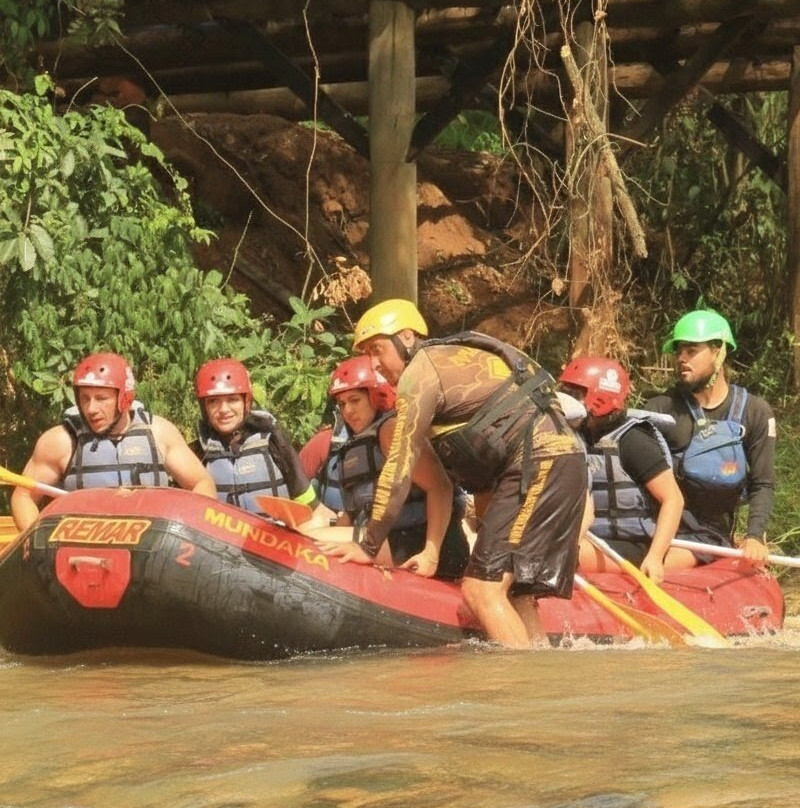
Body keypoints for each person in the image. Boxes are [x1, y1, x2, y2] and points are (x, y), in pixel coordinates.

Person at [317, 299, 588, 650]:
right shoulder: (450, 360)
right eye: (367, 353)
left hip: (541, 463)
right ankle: (540, 667)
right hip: (549, 463)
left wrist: (369, 545)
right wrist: (433, 553)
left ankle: (523, 692)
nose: (374, 364)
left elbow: (399, 465)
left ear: (407, 337)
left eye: (378, 350)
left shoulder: (420, 375)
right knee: (515, 591)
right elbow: (494, 454)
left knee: (480, 590)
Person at [300, 355, 469, 579]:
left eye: (355, 400)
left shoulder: (392, 430)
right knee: (306, 530)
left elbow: (440, 487)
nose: (347, 410)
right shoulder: (350, 450)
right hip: (389, 540)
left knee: (311, 534)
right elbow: (351, 516)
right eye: (342, 404)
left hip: (421, 542)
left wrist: (431, 554)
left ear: (376, 397)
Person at [11, 352, 216, 531]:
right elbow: (23, 497)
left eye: (101, 398)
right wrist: (39, 541)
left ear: (124, 398)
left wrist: (189, 527)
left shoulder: (159, 432)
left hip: (149, 550)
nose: (91, 409)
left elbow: (201, 483)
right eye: (85, 398)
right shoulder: (61, 440)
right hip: (84, 551)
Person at [644, 310, 775, 565]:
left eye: (691, 351)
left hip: (710, 536)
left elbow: (763, 483)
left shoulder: (755, 412)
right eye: (679, 351)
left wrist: (754, 536)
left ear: (718, 351)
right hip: (657, 529)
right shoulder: (659, 409)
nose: (681, 358)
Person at [558, 356, 686, 584]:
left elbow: (673, 500)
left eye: (576, 394)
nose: (567, 402)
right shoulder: (576, 436)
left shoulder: (633, 439)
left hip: (630, 546)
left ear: (600, 398)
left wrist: (655, 557)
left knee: (554, 551)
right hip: (591, 539)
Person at [192, 358, 330, 521]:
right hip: (221, 543)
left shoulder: (273, 440)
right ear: (204, 407)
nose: (223, 409)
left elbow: (308, 501)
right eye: (213, 402)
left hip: (272, 540)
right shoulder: (198, 451)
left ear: (246, 402)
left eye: (232, 399)